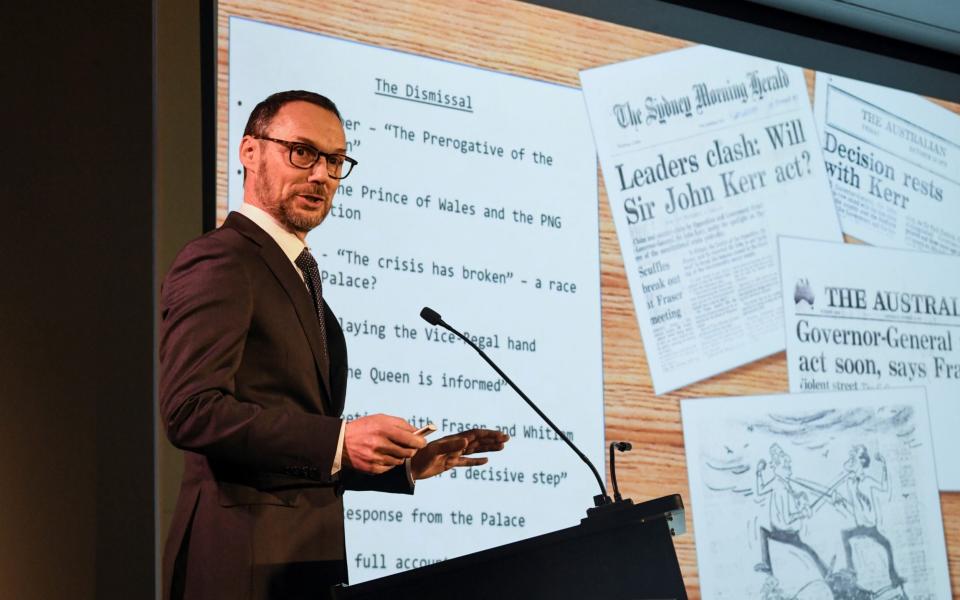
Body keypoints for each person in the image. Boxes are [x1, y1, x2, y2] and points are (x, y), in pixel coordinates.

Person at [159, 90, 509, 600]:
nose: (321, 174)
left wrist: (404, 466)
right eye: (302, 152)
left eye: (335, 160)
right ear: (249, 152)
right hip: (242, 565)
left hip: (305, 565)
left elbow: (294, 449)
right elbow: (191, 411)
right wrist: (340, 441)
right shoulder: (221, 260)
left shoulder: (297, 277)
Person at [754, 443, 828, 577]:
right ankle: (825, 572)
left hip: (778, 531)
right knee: (810, 552)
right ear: (777, 468)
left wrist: (758, 473)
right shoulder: (781, 487)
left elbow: (760, 492)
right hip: (785, 533)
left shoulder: (780, 483)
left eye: (789, 466)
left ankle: (766, 563)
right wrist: (802, 513)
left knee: (763, 531)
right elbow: (787, 519)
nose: (790, 470)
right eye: (786, 467)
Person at [834, 445, 904, 587]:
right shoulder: (850, 483)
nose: (852, 460)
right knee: (844, 535)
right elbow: (853, 506)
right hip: (860, 526)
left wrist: (884, 466)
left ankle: (894, 577)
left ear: (862, 461)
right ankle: (851, 572)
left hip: (870, 526)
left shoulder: (867, 481)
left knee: (887, 544)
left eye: (855, 457)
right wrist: (839, 502)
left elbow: (884, 488)